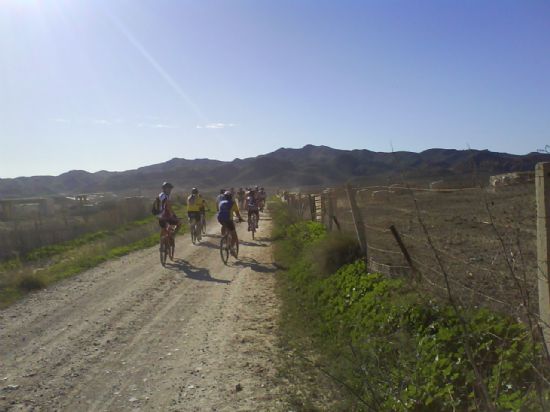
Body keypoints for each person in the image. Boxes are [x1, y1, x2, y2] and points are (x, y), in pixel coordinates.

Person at [156, 182, 181, 252]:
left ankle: (161, 244)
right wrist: (174, 215)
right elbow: (169, 207)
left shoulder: (160, 195)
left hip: (159, 216)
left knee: (164, 228)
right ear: (164, 189)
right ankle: (172, 235)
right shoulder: (165, 196)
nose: (170, 190)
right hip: (166, 216)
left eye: (170, 189)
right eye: (168, 189)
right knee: (179, 223)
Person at [217, 191, 243, 256]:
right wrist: (240, 218)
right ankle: (231, 248)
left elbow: (219, 210)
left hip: (220, 219)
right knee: (234, 237)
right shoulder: (233, 203)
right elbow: (237, 213)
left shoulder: (220, 202)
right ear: (231, 197)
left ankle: (224, 238)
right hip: (228, 220)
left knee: (224, 225)